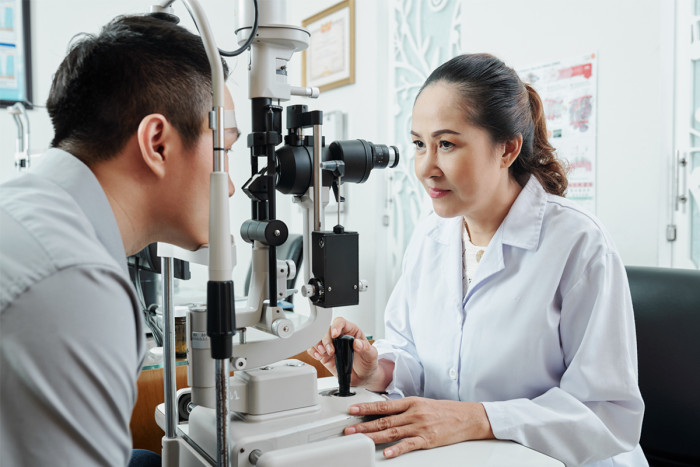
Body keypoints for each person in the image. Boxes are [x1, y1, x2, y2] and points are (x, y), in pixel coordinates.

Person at [309, 53, 646, 466]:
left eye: (446, 144)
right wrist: (378, 371)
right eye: (419, 144)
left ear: (507, 150)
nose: (426, 168)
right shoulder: (429, 236)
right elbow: (414, 353)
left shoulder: (578, 243)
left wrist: (480, 418)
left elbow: (607, 414)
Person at [0, 15, 238, 466]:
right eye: (224, 147)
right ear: (158, 143)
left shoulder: (31, 211)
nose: (231, 184)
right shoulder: (74, 283)